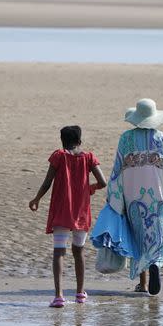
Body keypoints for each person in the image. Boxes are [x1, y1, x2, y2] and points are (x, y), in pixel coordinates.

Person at [106, 98, 163, 295]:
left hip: (133, 199)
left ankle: (143, 284)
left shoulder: (125, 139)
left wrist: (113, 196)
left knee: (139, 238)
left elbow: (117, 170)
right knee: (156, 236)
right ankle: (155, 264)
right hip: (158, 199)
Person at [29, 125, 107, 308]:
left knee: (59, 252)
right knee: (78, 251)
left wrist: (36, 198)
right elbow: (103, 182)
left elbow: (48, 182)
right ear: (80, 141)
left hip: (61, 211)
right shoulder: (88, 157)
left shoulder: (58, 156)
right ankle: (80, 293)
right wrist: (90, 188)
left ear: (62, 141)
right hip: (81, 212)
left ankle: (59, 296)